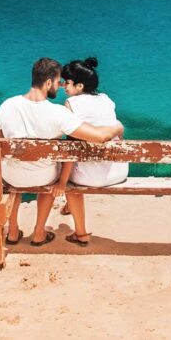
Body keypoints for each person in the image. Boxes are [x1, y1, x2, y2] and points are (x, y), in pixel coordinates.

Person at [0, 57, 124, 247]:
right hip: (44, 178)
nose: (60, 85)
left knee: (14, 174)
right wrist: (117, 128)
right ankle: (39, 233)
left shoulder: (7, 105)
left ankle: (13, 232)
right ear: (48, 83)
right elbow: (99, 136)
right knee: (52, 177)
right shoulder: (58, 113)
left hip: (12, 175)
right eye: (57, 82)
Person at [53, 57, 128, 247]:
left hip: (92, 178)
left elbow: (71, 149)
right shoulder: (106, 99)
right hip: (118, 172)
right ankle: (69, 206)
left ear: (79, 86)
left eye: (67, 83)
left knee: (69, 177)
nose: (63, 87)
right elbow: (119, 134)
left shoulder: (71, 104)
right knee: (83, 159)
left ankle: (80, 233)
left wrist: (62, 183)